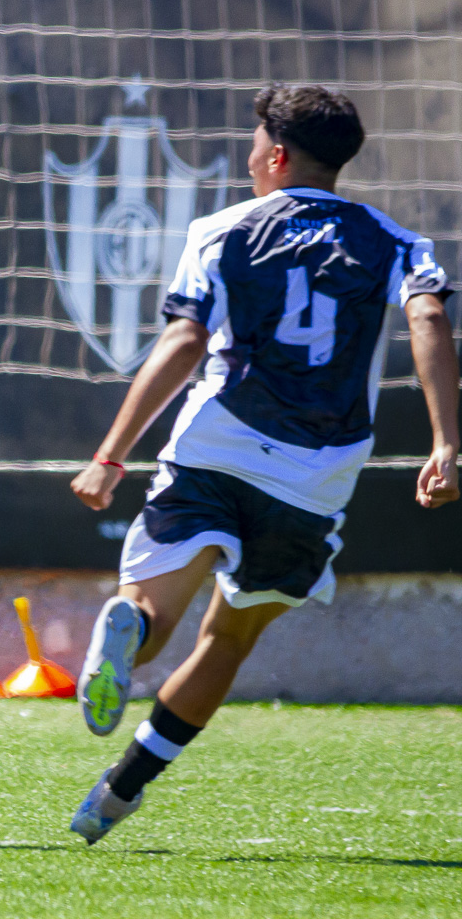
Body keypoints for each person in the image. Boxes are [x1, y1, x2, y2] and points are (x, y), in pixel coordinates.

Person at [66, 84, 459, 844]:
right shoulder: (395, 241)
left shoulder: (220, 229)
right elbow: (429, 316)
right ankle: (120, 792)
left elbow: (184, 341)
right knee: (229, 639)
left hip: (217, 444)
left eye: (253, 146)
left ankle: (130, 630)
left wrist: (111, 455)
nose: (248, 160)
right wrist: (445, 443)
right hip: (314, 474)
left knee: (153, 612)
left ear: (276, 156)